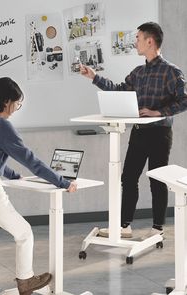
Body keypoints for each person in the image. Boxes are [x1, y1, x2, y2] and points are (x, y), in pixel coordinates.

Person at [0, 77, 77, 295]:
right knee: (24, 232)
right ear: (6, 102)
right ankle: (25, 281)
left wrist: (13, 175)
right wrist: (63, 182)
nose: (16, 109)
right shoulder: (2, 125)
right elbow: (31, 161)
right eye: (16, 103)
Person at [80, 22, 187, 238]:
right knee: (128, 178)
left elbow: (184, 100)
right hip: (139, 131)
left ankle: (157, 229)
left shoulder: (171, 72)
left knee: (157, 180)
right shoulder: (138, 72)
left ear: (150, 41)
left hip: (159, 134)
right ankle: (124, 226)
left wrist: (159, 112)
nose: (135, 42)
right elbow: (119, 90)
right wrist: (94, 77)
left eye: (137, 38)